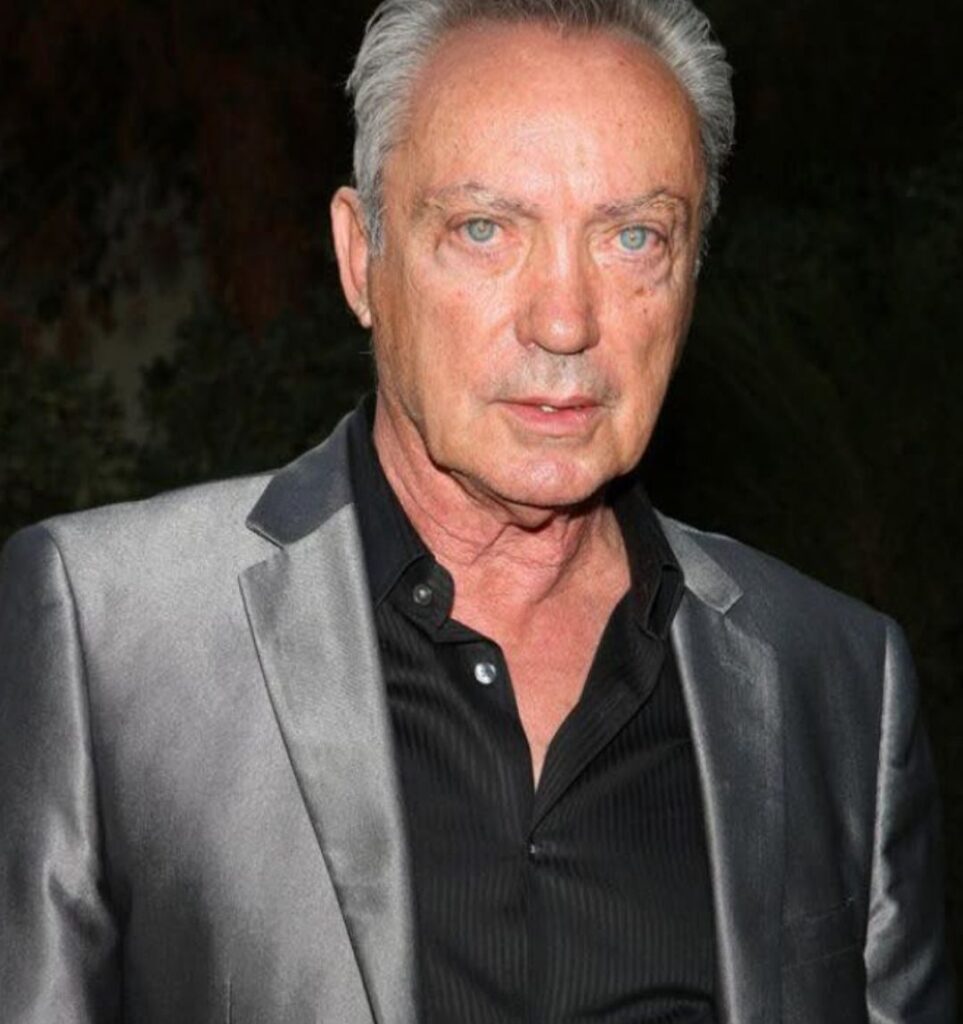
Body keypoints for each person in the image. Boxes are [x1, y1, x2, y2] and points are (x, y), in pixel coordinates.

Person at [0, 0, 954, 1021]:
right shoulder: (112, 637)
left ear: (690, 276)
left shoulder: (837, 682)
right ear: (360, 258)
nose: (564, 319)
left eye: (634, 236)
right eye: (485, 230)